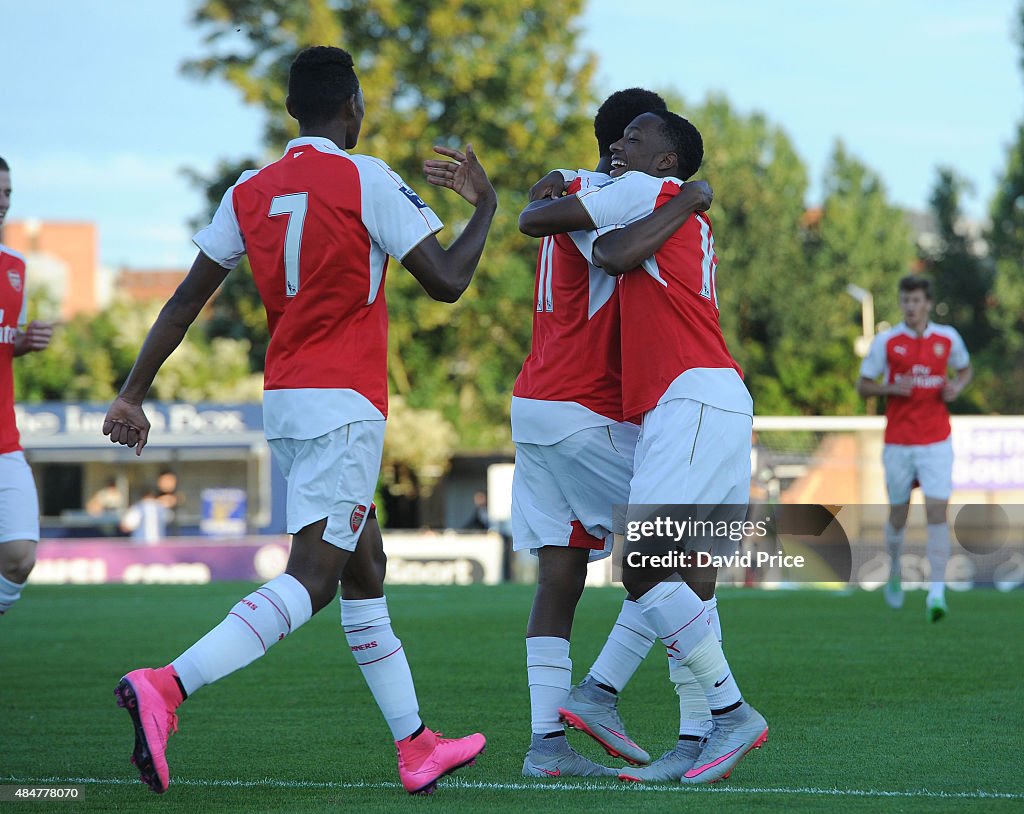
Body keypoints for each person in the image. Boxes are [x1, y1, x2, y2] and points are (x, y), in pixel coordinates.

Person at [102, 46, 497, 796]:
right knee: (313, 578)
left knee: (363, 564)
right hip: (344, 404)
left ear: (292, 112)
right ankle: (166, 687)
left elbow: (187, 298)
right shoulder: (367, 176)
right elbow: (446, 281)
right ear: (352, 108)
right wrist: (487, 207)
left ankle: (415, 744)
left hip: (286, 400)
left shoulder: (249, 190)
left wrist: (132, 393)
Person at [519, 110, 768, 784]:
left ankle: (726, 710)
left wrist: (677, 196)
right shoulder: (667, 196)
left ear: (665, 161)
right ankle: (688, 741)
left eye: (635, 139)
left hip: (689, 398)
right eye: (617, 138)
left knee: (643, 563)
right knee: (684, 570)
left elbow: (608, 253)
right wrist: (685, 199)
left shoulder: (644, 190)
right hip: (703, 400)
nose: (617, 148)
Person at [496, 88, 707, 779]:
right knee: (690, 545)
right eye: (640, 135)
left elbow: (541, 217)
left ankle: (546, 748)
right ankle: (692, 724)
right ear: (631, 144)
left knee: (560, 577)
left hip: (535, 403)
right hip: (586, 407)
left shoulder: (570, 190)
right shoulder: (620, 194)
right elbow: (615, 257)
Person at [857, 274, 971, 621]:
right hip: (899, 442)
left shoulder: (947, 338)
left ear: (927, 303)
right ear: (901, 303)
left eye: (917, 300)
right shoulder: (887, 342)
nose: (911, 307)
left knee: (937, 512)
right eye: (906, 300)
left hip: (936, 440)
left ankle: (937, 593)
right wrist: (890, 388)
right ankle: (894, 571)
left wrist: (957, 387)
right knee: (898, 515)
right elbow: (863, 386)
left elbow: (965, 371)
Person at [0, 156, 54, 616]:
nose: (3, 202)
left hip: (4, 443)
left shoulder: (15, 266)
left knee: (19, 558)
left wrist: (21, 343)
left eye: (8, 194)